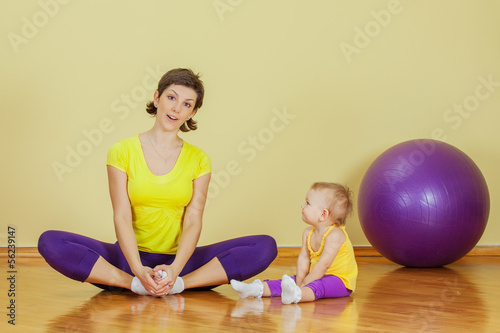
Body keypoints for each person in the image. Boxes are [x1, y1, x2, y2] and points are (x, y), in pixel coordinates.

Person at [38, 68, 277, 296]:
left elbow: (194, 219)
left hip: (182, 262)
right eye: (171, 97)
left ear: (192, 113)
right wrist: (136, 270)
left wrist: (174, 270)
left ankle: (178, 285)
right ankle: (133, 284)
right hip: (126, 260)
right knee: (51, 242)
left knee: (265, 247)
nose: (176, 108)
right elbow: (121, 215)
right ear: (156, 98)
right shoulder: (121, 151)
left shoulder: (200, 159)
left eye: (187, 104)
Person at [231, 182, 357, 304]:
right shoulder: (308, 233)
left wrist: (303, 285)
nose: (302, 206)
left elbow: (323, 265)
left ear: (323, 214)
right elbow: (303, 260)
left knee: (318, 286)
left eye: (308, 203)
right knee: (289, 281)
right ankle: (253, 289)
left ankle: (297, 295)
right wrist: (299, 282)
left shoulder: (335, 235)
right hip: (315, 275)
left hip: (339, 281)